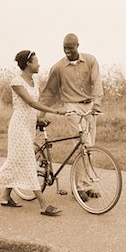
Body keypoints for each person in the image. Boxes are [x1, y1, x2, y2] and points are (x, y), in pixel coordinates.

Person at [0, 50, 64, 216]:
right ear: (28, 64)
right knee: (28, 161)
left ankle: (5, 196)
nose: (38, 64)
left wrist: (39, 118)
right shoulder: (16, 82)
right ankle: (43, 205)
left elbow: (36, 102)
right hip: (18, 127)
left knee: (18, 160)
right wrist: (54, 112)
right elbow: (31, 102)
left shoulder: (35, 79)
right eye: (36, 61)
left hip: (29, 124)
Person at [39, 33, 103, 202]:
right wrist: (41, 113)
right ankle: (79, 188)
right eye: (64, 48)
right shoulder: (58, 67)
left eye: (70, 48)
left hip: (89, 106)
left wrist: (97, 104)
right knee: (84, 144)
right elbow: (50, 93)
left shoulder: (90, 61)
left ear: (77, 46)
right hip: (72, 108)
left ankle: (87, 185)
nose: (67, 51)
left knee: (90, 147)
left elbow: (97, 83)